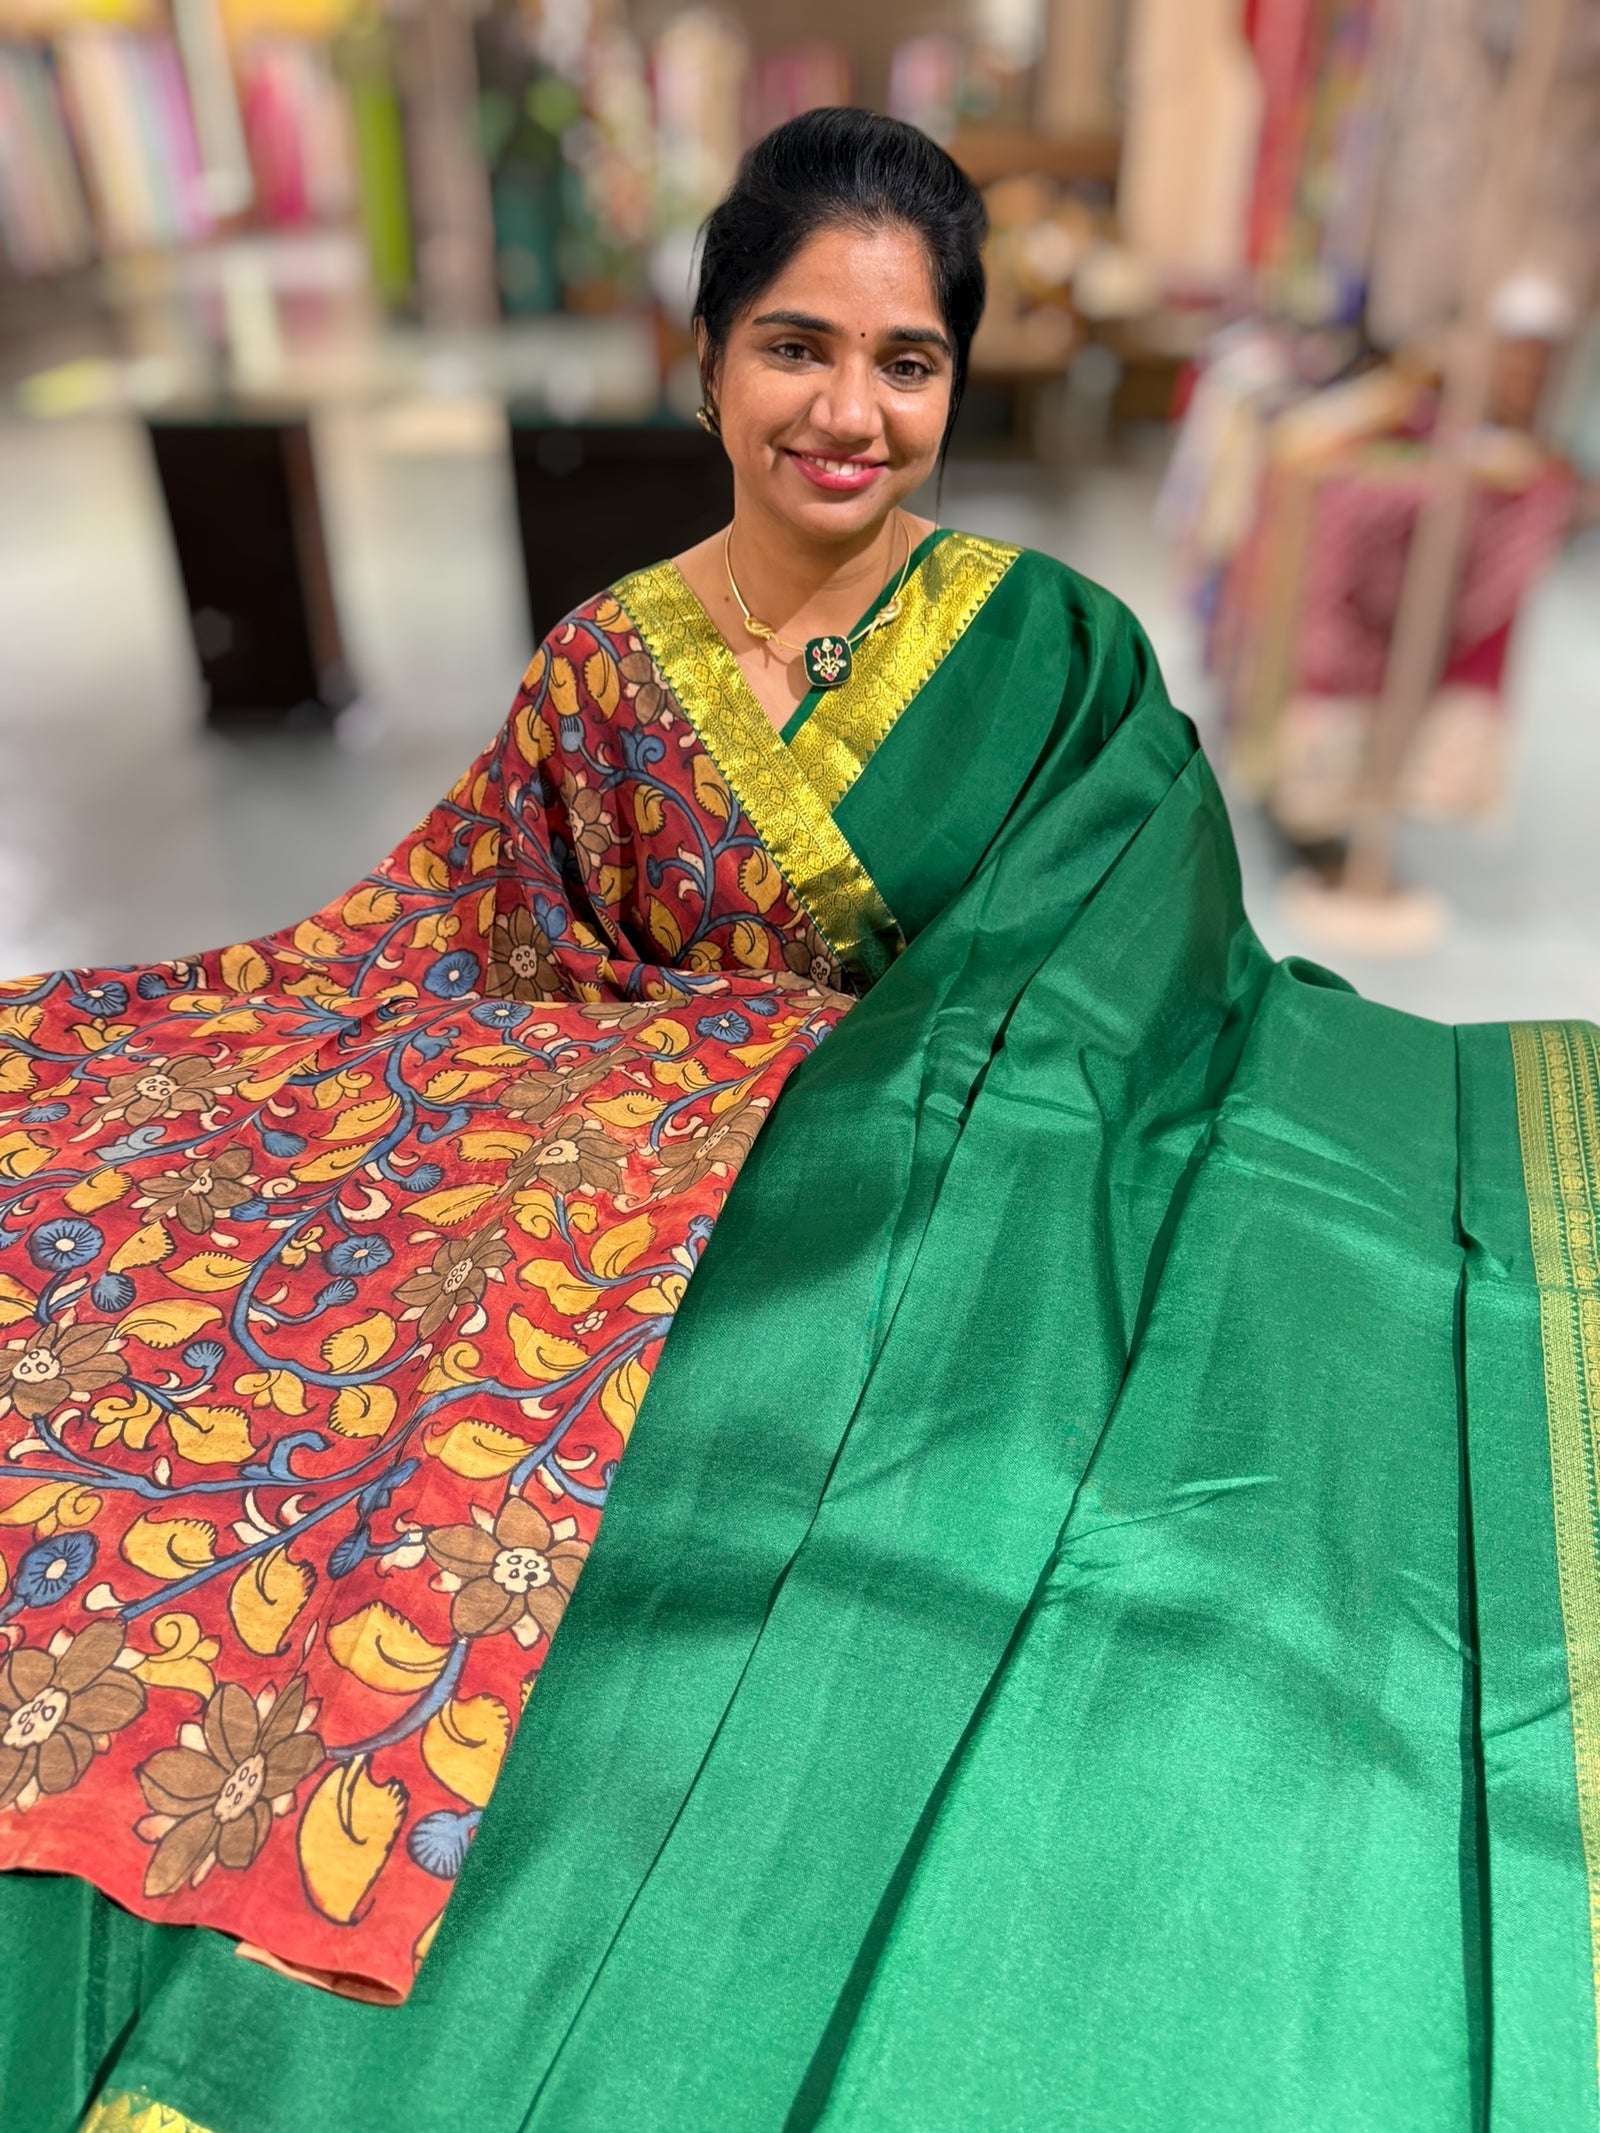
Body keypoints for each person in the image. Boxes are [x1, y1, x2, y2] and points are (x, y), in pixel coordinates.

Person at [0, 107, 1594, 2133]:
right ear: (707, 363)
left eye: (904, 360)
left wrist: (859, 1132)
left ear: (953, 382)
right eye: (795, 346)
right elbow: (482, 957)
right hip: (679, 1201)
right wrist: (635, 1120)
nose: (848, 411)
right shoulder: (603, 671)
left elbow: (1123, 990)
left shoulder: (1052, 647)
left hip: (981, 1189)